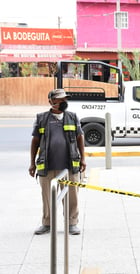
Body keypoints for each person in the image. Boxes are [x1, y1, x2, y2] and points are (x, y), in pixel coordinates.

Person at [29, 89, 86, 235]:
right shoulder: (41, 118)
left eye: (65, 99)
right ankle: (47, 223)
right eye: (60, 99)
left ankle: (72, 223)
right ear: (51, 101)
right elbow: (35, 141)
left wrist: (83, 159)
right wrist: (32, 163)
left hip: (69, 166)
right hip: (47, 166)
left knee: (71, 195)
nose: (63, 102)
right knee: (47, 197)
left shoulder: (72, 117)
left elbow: (80, 138)